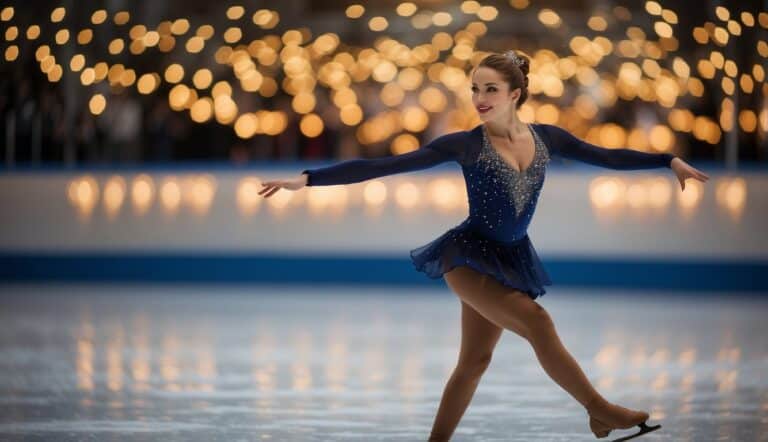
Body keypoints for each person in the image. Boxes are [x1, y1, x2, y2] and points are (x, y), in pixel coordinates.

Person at [258, 50, 709, 441]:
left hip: (510, 257)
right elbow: (385, 164)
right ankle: (599, 407)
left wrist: (666, 160)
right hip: (467, 257)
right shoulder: (466, 145)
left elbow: (609, 157)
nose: (479, 99)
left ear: (515, 93)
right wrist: (308, 179)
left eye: (490, 89)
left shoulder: (547, 139)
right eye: (474, 89)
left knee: (474, 360)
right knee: (537, 320)